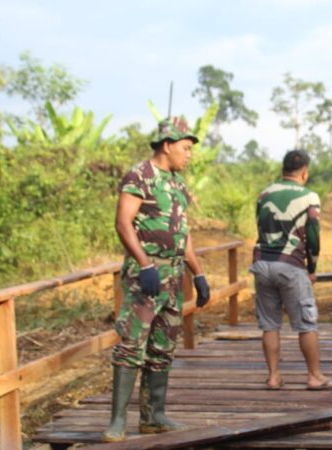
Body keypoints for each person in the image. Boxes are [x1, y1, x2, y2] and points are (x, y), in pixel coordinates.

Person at [103, 117, 211, 442]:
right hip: (146, 279)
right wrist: (144, 263)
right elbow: (123, 223)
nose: (189, 154)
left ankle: (154, 416)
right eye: (185, 148)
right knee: (132, 344)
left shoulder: (177, 183)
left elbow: (183, 232)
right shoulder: (141, 176)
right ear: (167, 145)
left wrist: (199, 272)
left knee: (162, 346)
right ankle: (117, 421)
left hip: (175, 277)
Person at [250, 150, 332, 391]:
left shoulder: (263, 194)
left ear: (283, 169)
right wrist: (312, 267)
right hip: (290, 265)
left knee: (269, 324)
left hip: (262, 264)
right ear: (304, 172)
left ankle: (274, 376)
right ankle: (315, 376)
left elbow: (260, 227)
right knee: (306, 323)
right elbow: (313, 235)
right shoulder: (309, 196)